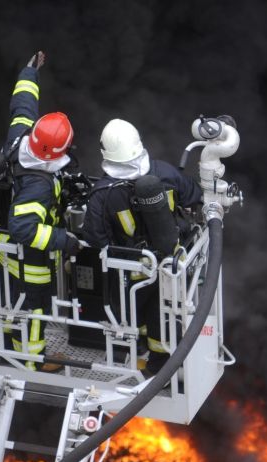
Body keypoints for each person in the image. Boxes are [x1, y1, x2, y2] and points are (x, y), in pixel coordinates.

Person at [83, 119, 202, 375]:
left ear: (106, 154)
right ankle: (160, 366)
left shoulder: (102, 195)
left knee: (132, 315)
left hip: (130, 274)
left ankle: (135, 349)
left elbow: (95, 238)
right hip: (170, 267)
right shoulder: (166, 173)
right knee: (164, 314)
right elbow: (194, 195)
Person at [0, 51, 81, 370]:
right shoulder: (39, 186)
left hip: (6, 244)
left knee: (15, 296)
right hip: (30, 255)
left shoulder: (20, 137)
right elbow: (24, 229)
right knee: (36, 304)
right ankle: (32, 359)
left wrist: (29, 73)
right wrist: (63, 239)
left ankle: (10, 336)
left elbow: (22, 106)